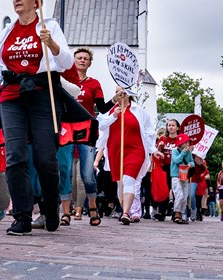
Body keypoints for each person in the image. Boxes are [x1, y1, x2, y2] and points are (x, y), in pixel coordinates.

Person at [0, 0, 89, 236]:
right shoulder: (7, 31)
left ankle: (50, 206)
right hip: (12, 97)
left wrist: (53, 45)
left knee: (45, 158)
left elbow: (66, 63)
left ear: (36, 2)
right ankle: (22, 215)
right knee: (15, 157)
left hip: (42, 95)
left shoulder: (49, 25)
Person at [62, 47, 114, 226]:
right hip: (66, 130)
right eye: (79, 58)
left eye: (85, 58)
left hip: (87, 130)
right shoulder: (64, 79)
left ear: (90, 63)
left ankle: (92, 207)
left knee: (87, 174)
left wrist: (115, 98)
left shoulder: (94, 84)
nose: (82, 60)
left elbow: (103, 108)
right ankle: (66, 212)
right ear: (73, 61)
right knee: (66, 171)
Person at [95, 86, 155, 225]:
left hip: (135, 150)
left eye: (123, 91)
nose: (120, 93)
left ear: (129, 94)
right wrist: (114, 116)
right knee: (120, 183)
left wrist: (153, 150)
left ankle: (127, 212)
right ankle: (125, 208)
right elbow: (101, 126)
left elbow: (148, 131)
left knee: (129, 179)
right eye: (117, 91)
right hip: (116, 150)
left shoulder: (139, 111)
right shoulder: (109, 111)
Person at [152, 118, 180, 221]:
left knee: (177, 190)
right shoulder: (163, 139)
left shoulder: (180, 139)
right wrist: (159, 148)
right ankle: (161, 212)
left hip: (177, 168)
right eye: (169, 125)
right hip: (165, 167)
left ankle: (176, 212)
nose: (171, 127)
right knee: (164, 188)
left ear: (177, 127)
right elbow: (156, 153)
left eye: (173, 125)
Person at [170, 133, 194, 224]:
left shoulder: (189, 153)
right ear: (181, 143)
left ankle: (181, 213)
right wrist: (183, 153)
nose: (187, 144)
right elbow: (176, 160)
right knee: (179, 194)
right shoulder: (175, 151)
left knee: (184, 196)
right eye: (186, 142)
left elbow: (192, 162)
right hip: (176, 175)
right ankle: (176, 213)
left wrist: (190, 164)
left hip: (184, 175)